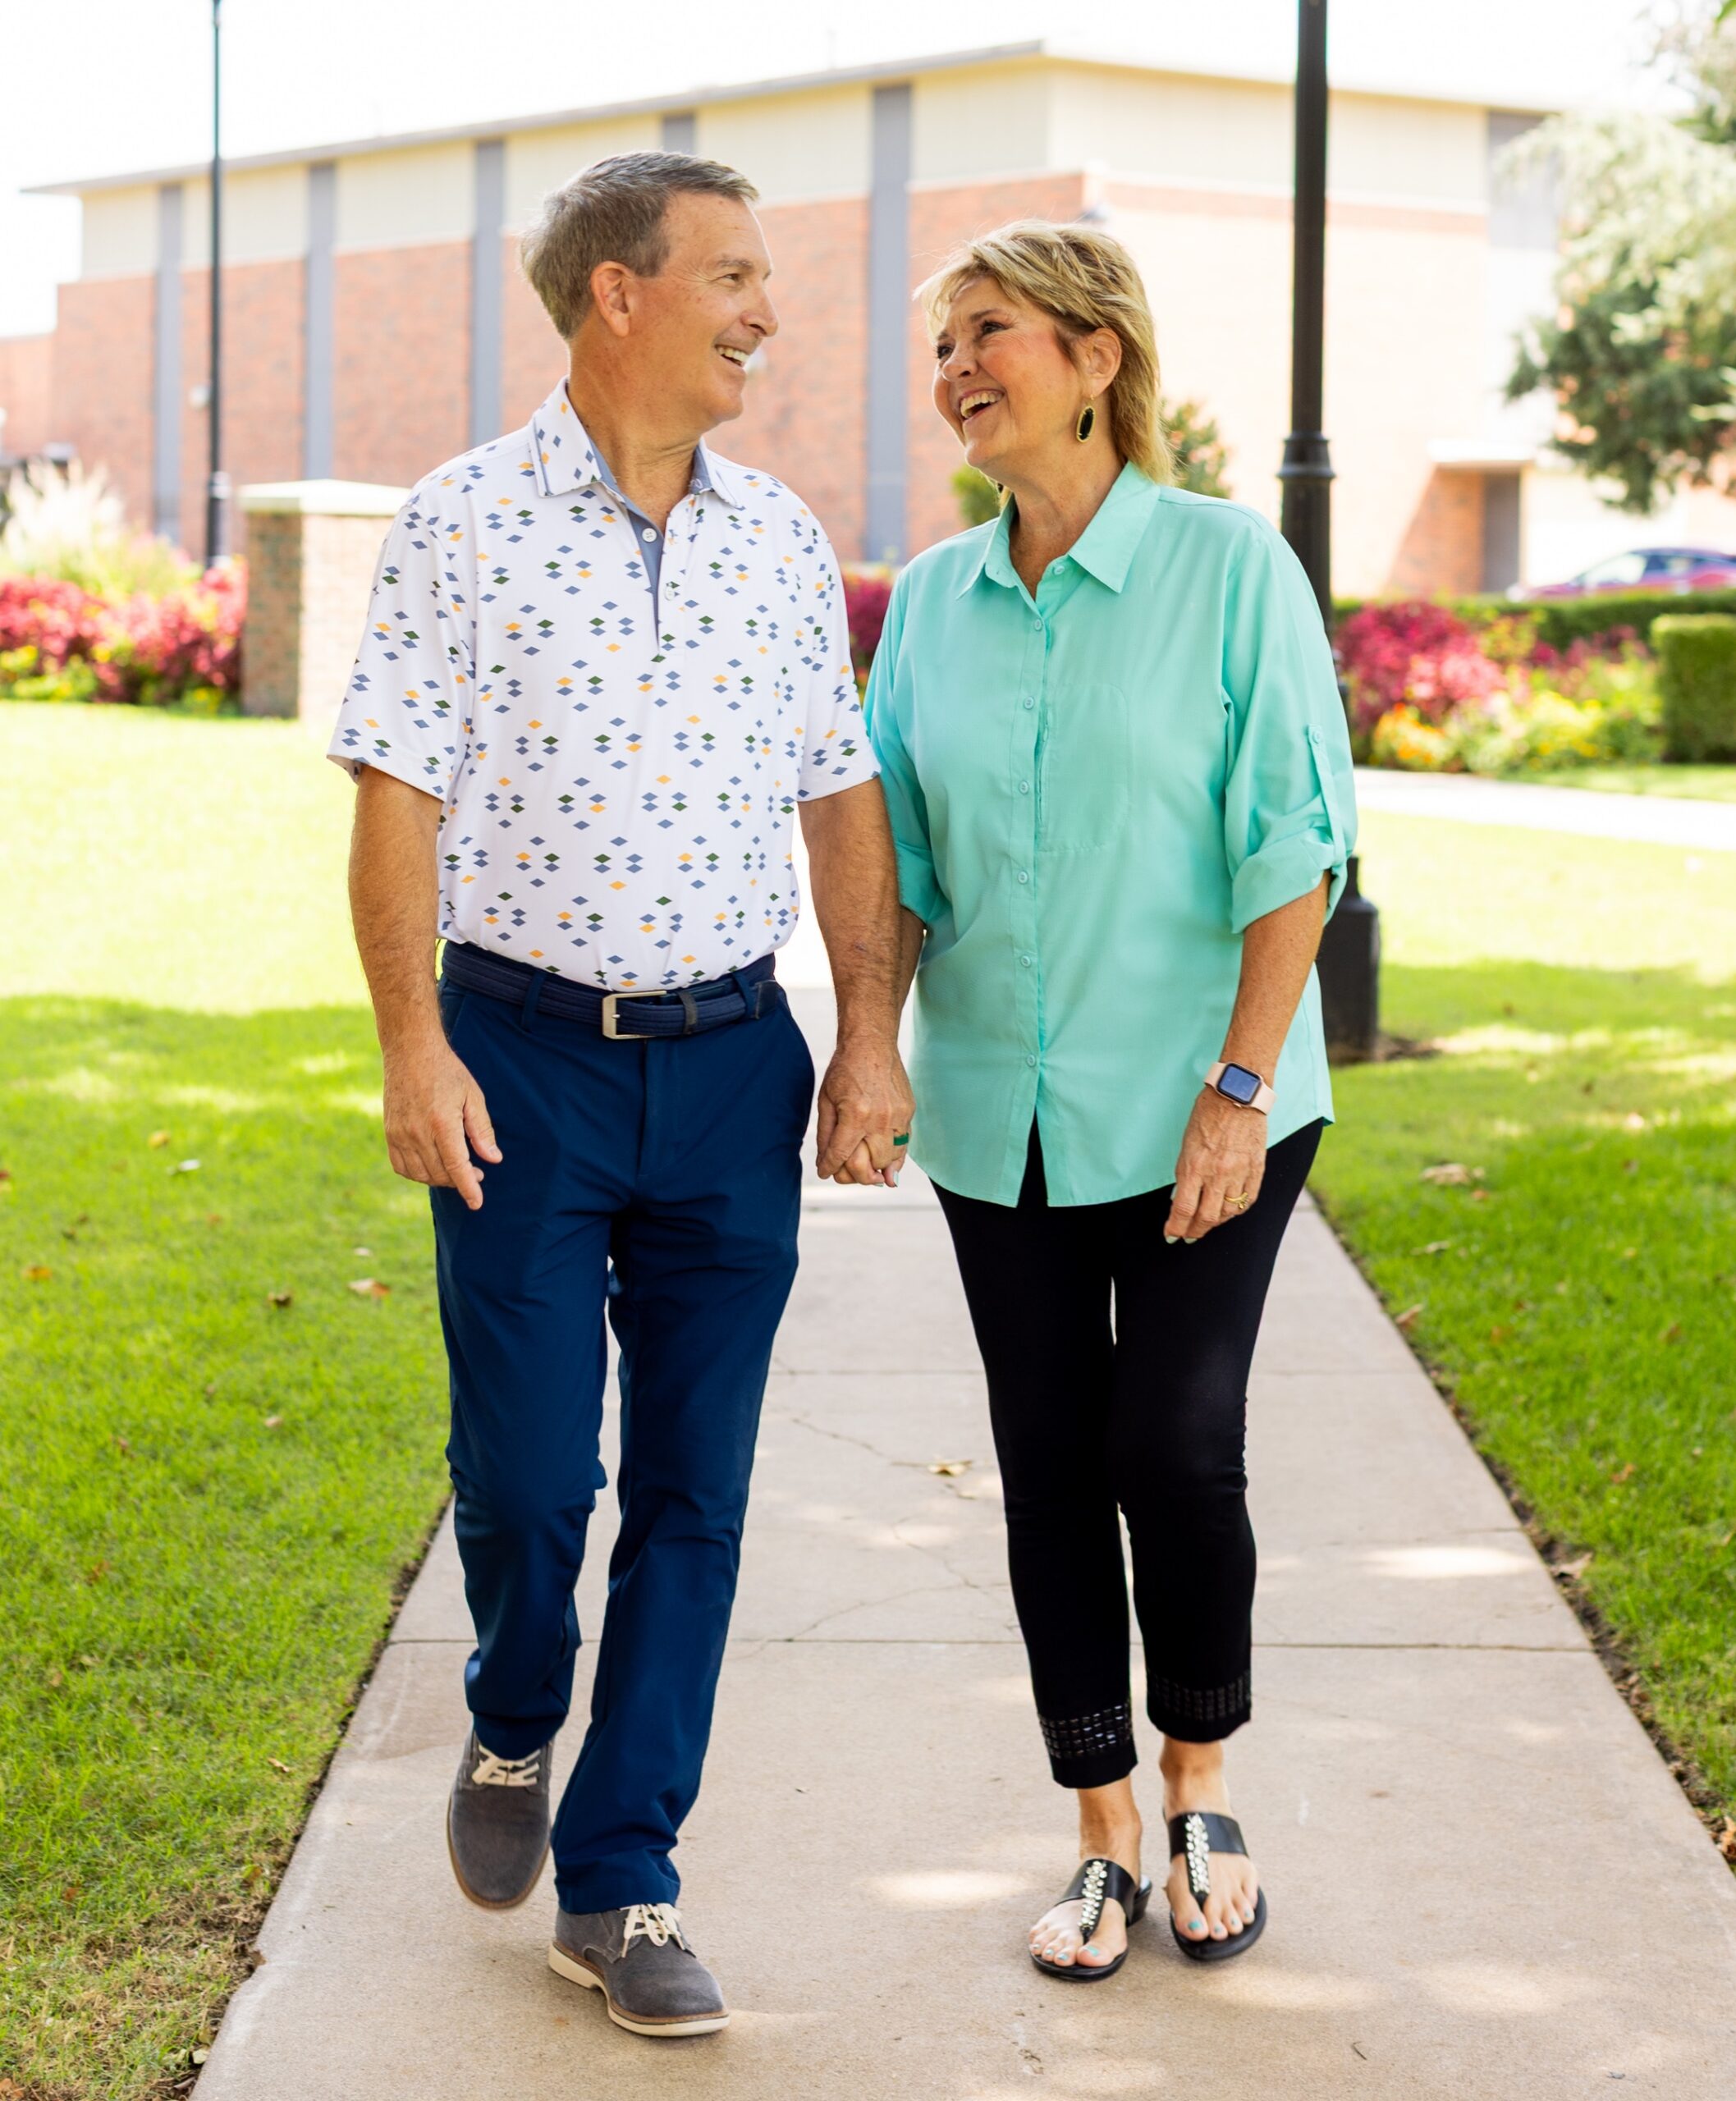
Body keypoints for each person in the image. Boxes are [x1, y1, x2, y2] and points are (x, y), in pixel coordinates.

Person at [331, 152, 912, 2040]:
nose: (764, 312)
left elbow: (839, 792)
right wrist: (412, 1045)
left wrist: (865, 1034)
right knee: (524, 1478)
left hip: (731, 1062)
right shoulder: (457, 523)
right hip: (517, 1062)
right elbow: (395, 798)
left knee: (694, 1486)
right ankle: (514, 1713)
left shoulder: (774, 536)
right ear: (618, 296)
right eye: (735, 276)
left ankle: (624, 1870)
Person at [865, 220, 1356, 1981]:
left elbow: (1292, 842)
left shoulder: (1230, 570)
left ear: (1092, 355)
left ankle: (1200, 1781)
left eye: (983, 331)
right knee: (1047, 1462)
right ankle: (1095, 1831)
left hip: (1205, 1098)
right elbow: (893, 861)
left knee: (1169, 1437)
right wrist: (865, 1041)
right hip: (998, 1110)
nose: (953, 370)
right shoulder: (927, 601)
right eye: (939, 345)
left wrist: (1236, 1086)